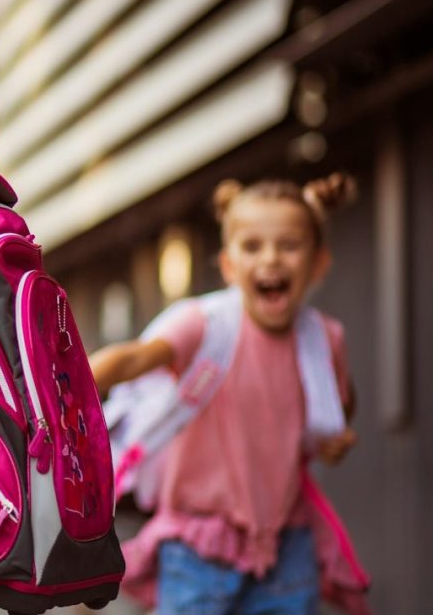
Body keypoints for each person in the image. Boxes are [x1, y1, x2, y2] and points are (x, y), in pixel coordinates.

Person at [89, 173, 365, 613]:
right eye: (253, 246)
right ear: (230, 266)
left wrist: (338, 438)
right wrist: (59, 382)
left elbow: (340, 405)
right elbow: (134, 359)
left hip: (286, 547)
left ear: (317, 264)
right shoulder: (205, 326)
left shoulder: (324, 339)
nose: (271, 259)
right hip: (196, 549)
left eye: (290, 245)